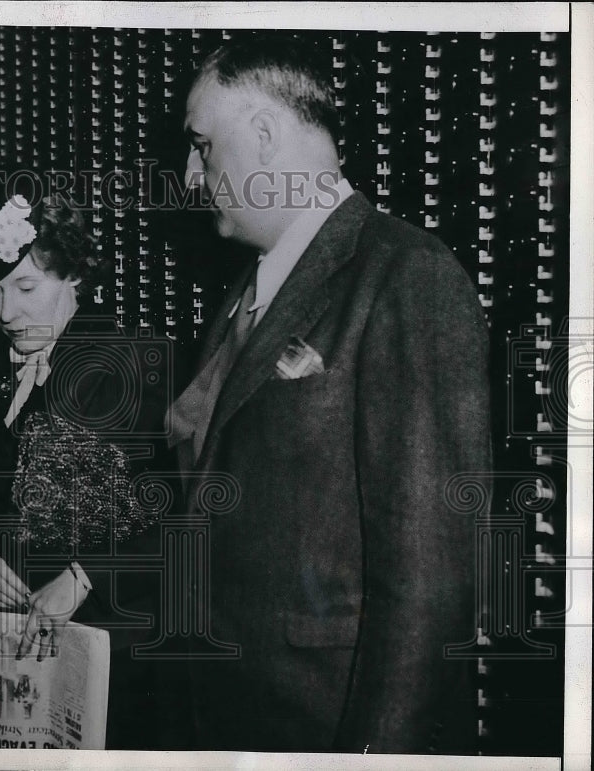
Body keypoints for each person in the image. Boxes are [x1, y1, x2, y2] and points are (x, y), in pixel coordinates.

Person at [168, 37, 491, 753]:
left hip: (325, 728)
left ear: (261, 134)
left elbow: (431, 581)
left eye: (200, 146)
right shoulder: (242, 296)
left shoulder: (406, 277)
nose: (191, 176)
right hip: (229, 718)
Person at [0, 176, 171, 749]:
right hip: (23, 644)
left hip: (119, 642)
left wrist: (84, 575)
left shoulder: (128, 367)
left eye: (25, 286)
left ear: (74, 275)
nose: (7, 312)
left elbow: (185, 520)